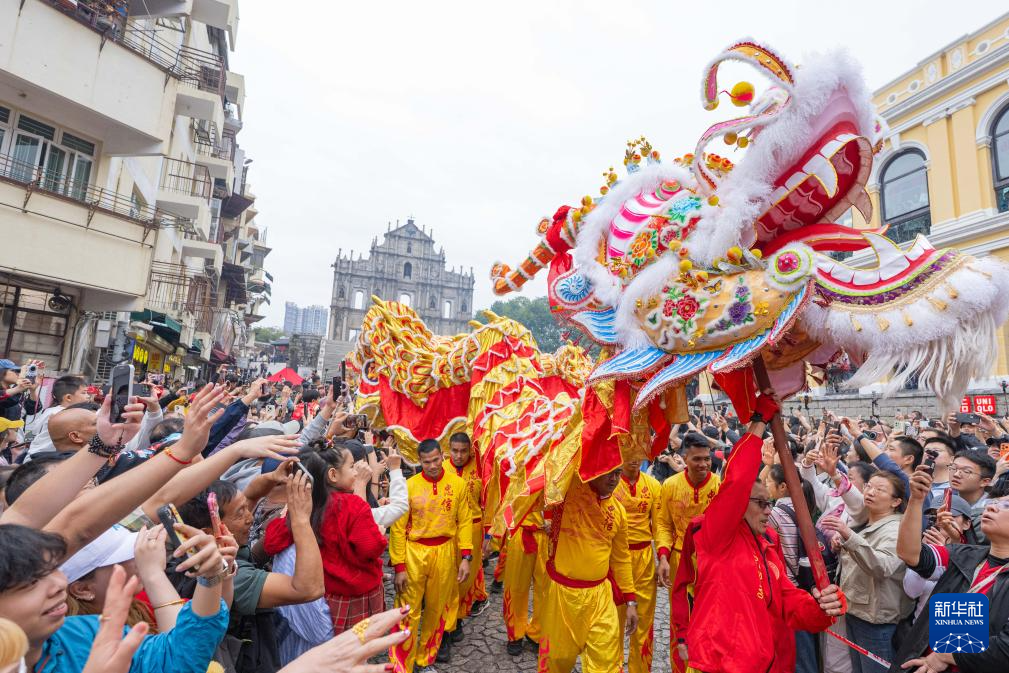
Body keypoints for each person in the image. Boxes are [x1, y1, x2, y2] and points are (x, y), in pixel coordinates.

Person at [682, 392, 844, 673]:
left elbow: (787, 600)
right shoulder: (716, 534)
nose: (769, 510)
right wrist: (759, 421)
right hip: (719, 664)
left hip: (765, 663)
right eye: (760, 503)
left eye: (769, 503)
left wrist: (822, 607)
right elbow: (736, 481)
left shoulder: (768, 541)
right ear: (738, 505)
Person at [0, 524, 230, 673]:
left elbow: (175, 660)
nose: (59, 585)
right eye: (32, 582)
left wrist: (210, 578)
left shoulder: (86, 631)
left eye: (54, 569)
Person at [894, 464, 1009, 673]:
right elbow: (910, 554)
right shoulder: (963, 555)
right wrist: (916, 500)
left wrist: (946, 655)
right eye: (992, 503)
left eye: (1006, 506)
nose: (991, 508)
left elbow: (1004, 648)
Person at [264, 445, 387, 637]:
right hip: (356, 597)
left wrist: (288, 512)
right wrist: (379, 534)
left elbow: (271, 542)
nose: (356, 473)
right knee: (359, 645)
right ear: (333, 475)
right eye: (351, 467)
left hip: (324, 599)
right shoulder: (353, 506)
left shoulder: (305, 507)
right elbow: (370, 549)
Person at [536, 467, 636, 673]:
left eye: (618, 473)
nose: (614, 478)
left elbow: (621, 559)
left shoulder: (618, 511)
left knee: (606, 663)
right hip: (562, 596)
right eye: (608, 472)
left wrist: (631, 600)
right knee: (557, 660)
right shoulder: (568, 492)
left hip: (600, 597)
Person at [389, 439, 472, 673]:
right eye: (427, 462)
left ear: (442, 456)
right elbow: (397, 529)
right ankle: (401, 664)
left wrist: (466, 556)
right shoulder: (409, 486)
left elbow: (465, 521)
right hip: (414, 553)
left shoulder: (458, 484)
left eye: (436, 460)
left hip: (445, 551)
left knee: (437, 610)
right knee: (407, 609)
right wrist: (399, 566)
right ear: (419, 461)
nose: (433, 466)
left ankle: (425, 660)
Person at [820, 471, 911, 673]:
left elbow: (882, 566)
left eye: (880, 490)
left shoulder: (896, 528)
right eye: (869, 486)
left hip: (875, 618)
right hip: (857, 609)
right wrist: (842, 544)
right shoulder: (867, 520)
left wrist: (848, 535)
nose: (870, 492)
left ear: (896, 501)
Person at [656, 431, 720, 669]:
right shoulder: (670, 485)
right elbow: (663, 524)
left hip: (711, 562)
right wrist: (663, 556)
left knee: (711, 619)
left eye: (707, 458)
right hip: (678, 560)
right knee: (679, 619)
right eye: (697, 459)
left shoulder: (719, 485)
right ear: (684, 458)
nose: (703, 464)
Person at [612, 458, 661, 673]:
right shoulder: (609, 483)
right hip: (615, 558)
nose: (633, 458)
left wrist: (662, 557)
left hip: (644, 558)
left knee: (643, 620)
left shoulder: (653, 485)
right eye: (628, 451)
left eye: (638, 452)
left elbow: (659, 525)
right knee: (614, 619)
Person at [443, 432, 487, 630]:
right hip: (448, 528)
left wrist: (489, 535)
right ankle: (447, 617)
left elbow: (488, 501)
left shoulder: (481, 469)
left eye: (463, 451)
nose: (459, 456)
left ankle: (458, 616)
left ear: (470, 450)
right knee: (447, 574)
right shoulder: (442, 469)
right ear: (449, 449)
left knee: (466, 576)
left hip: (474, 527)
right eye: (455, 451)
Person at [497, 494, 547, 656]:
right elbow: (506, 498)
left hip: (547, 536)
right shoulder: (516, 476)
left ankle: (537, 633)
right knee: (516, 586)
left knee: (546, 590)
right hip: (520, 533)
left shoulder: (559, 476)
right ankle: (515, 633)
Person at [25, 376, 90, 457]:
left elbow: (35, 430)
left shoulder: (50, 410)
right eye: (84, 393)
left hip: (35, 454)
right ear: (68, 397)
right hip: (45, 458)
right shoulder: (65, 414)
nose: (88, 396)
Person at [950, 449, 996, 544]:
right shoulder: (943, 500)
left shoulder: (993, 511)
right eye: (953, 468)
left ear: (985, 481)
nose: (956, 474)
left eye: (967, 471)